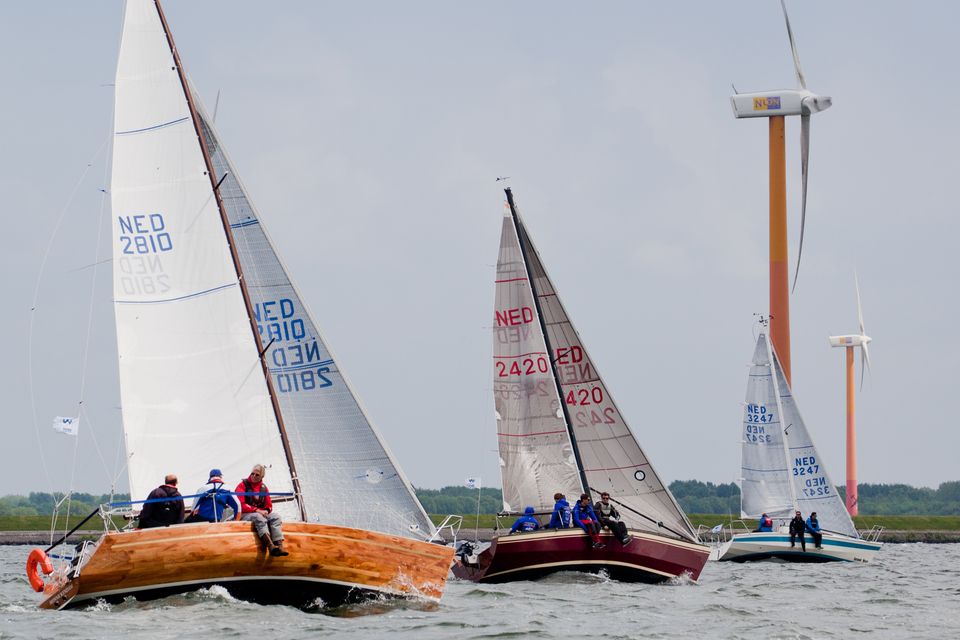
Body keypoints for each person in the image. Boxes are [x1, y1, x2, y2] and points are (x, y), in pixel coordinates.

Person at [236, 464, 288, 556]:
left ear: (262, 477)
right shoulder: (242, 485)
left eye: (257, 475)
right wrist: (257, 510)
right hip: (245, 514)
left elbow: (269, 505)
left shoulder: (263, 488)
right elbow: (240, 505)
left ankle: (280, 547)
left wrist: (266, 511)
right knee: (258, 517)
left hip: (259, 513)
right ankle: (270, 546)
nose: (254, 476)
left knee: (276, 517)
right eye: (252, 474)